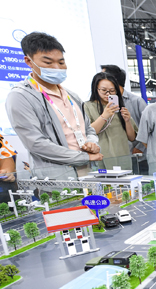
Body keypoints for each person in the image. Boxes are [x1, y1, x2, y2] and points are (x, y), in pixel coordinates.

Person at [6, 32, 102, 179]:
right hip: (57, 177)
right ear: (29, 61)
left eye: (61, 63)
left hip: (90, 170)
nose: (56, 67)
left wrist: (91, 143)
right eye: (48, 62)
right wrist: (83, 157)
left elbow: (88, 129)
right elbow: (36, 143)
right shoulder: (21, 96)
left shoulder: (72, 96)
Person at [84, 72, 136, 171]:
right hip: (101, 157)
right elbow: (88, 132)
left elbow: (132, 137)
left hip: (122, 156)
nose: (108, 94)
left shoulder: (119, 107)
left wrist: (127, 121)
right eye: (104, 90)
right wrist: (104, 116)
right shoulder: (87, 106)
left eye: (112, 91)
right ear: (96, 89)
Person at [101, 64, 148, 174]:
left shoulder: (136, 101)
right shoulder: (102, 104)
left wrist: (140, 147)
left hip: (137, 157)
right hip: (114, 158)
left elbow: (148, 128)